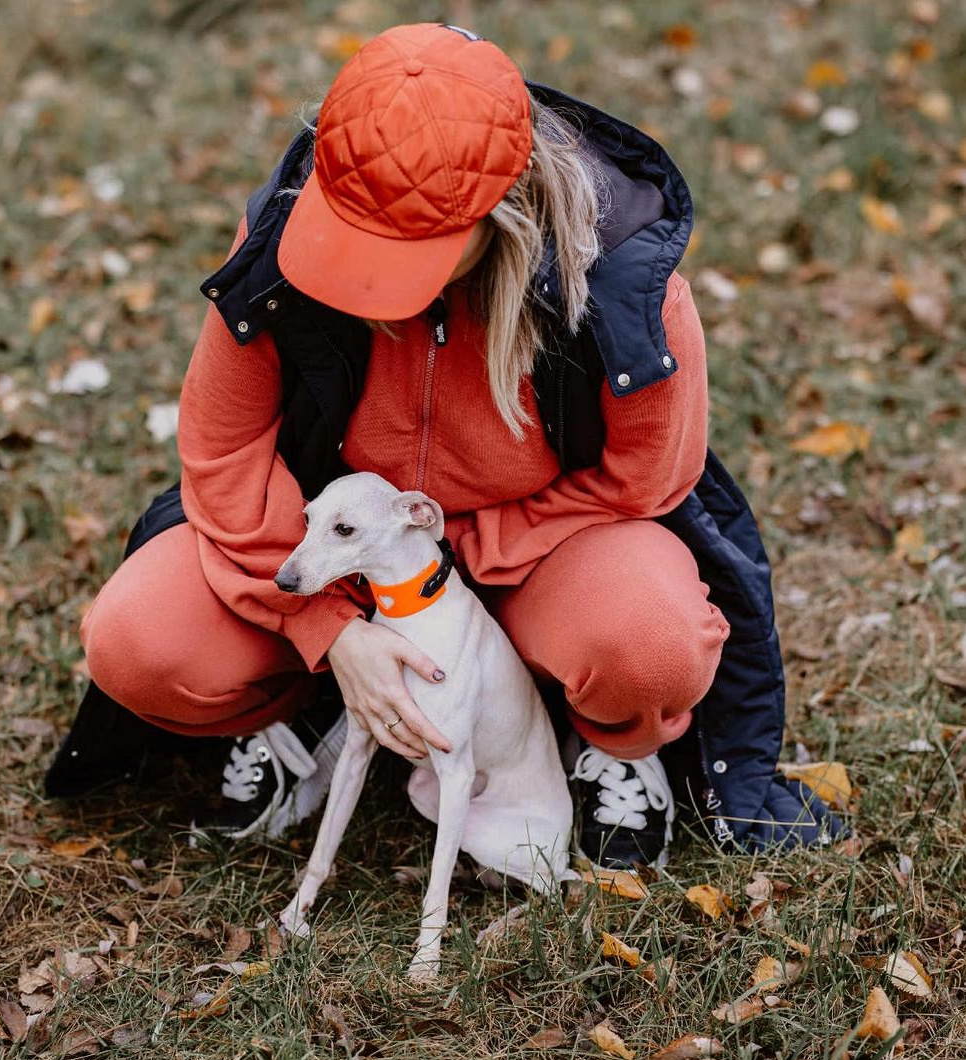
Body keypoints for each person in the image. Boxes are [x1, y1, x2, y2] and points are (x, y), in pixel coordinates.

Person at [45, 23, 842, 868]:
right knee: (139, 643)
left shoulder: (619, 275)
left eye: (400, 254)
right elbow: (222, 452)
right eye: (351, 236)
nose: (362, 279)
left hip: (543, 554)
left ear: (500, 214)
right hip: (342, 548)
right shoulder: (277, 244)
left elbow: (646, 477)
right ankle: (314, 709)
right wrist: (333, 629)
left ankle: (593, 736)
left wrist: (451, 556)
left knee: (645, 645)